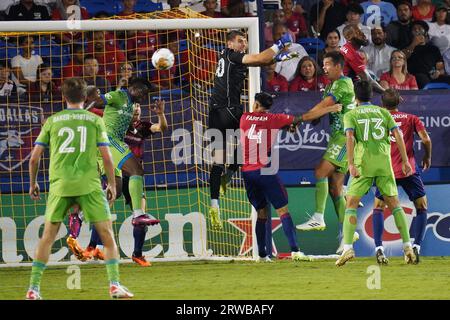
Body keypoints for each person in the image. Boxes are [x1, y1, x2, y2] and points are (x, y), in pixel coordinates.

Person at [26, 78, 133, 300]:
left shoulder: (53, 121)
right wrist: (112, 184)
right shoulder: (94, 121)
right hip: (89, 185)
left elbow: (34, 159)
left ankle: (33, 290)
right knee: (107, 235)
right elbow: (106, 156)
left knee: (47, 237)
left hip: (60, 185)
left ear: (63, 97)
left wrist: (33, 182)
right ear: (85, 98)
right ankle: (114, 285)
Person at [208, 30, 296, 230]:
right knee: (250, 141)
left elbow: (259, 62)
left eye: (245, 42)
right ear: (230, 43)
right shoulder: (232, 54)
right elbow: (259, 58)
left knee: (218, 161)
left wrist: (278, 57)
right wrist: (279, 44)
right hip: (230, 110)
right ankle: (229, 176)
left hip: (214, 112)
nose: (244, 45)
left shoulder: (225, 56)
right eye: (240, 41)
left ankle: (214, 205)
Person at [240, 92, 341, 262]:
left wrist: (289, 126)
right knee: (283, 210)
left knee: (261, 212)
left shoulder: (244, 118)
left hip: (248, 172)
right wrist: (331, 108)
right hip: (265, 170)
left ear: (256, 105)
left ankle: (262, 255)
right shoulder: (274, 118)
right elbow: (305, 117)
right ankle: (295, 250)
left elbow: (261, 126)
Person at [67, 101, 167, 267]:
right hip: (116, 170)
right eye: (133, 107)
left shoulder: (142, 126)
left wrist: (161, 114)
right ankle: (91, 244)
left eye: (139, 107)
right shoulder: (116, 125)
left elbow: (161, 128)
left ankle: (137, 254)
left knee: (140, 214)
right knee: (107, 203)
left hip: (134, 176)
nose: (137, 109)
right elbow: (93, 111)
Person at [336, 80, 416, 266]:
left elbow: (349, 137)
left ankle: (348, 247)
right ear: (372, 95)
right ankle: (407, 247)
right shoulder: (383, 112)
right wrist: (405, 161)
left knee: (351, 204)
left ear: (355, 96)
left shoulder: (351, 114)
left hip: (363, 164)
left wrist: (350, 163)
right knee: (395, 204)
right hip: (384, 164)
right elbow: (398, 135)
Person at [296, 51, 359, 253]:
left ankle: (318, 217)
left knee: (320, 172)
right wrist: (311, 117)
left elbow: (323, 106)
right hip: (337, 137)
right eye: (323, 64)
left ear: (338, 66)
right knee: (335, 190)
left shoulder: (343, 83)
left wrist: (298, 119)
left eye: (327, 64)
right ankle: (349, 234)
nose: (323, 67)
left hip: (345, 137)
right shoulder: (330, 86)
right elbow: (321, 112)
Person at [371, 88, 431, 265]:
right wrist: (427, 156)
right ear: (400, 101)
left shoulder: (377, 118)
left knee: (379, 206)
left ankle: (379, 249)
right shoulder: (411, 118)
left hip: (385, 170)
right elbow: (426, 139)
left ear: (382, 103)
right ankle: (416, 247)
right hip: (408, 169)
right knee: (421, 206)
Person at [340, 24, 385, 92]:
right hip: (344, 93)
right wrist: (385, 92)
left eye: (361, 31)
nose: (362, 34)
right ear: (348, 37)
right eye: (358, 32)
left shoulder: (345, 48)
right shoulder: (352, 54)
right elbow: (368, 80)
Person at [403, 20, 443, 88]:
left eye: (419, 28)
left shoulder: (433, 49)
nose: (416, 30)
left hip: (431, 77)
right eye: (414, 29)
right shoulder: (407, 47)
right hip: (412, 78)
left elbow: (440, 67)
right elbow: (402, 58)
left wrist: (438, 72)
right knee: (420, 77)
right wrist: (413, 44)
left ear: (426, 32)